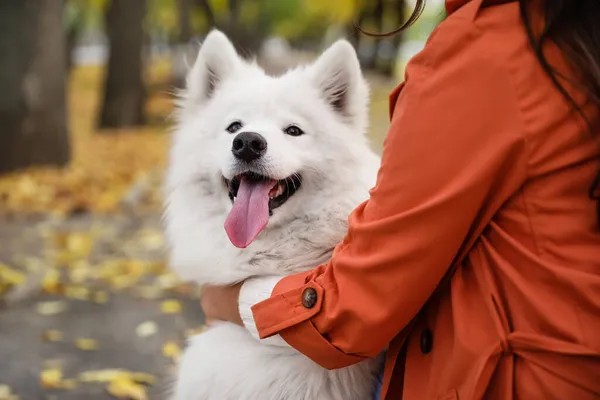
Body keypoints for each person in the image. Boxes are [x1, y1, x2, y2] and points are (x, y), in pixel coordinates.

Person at [199, 0, 600, 398]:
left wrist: (230, 301)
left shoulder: (488, 49)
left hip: (518, 377)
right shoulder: (572, 37)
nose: (250, 137)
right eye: (236, 125)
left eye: (293, 130)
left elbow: (359, 304)